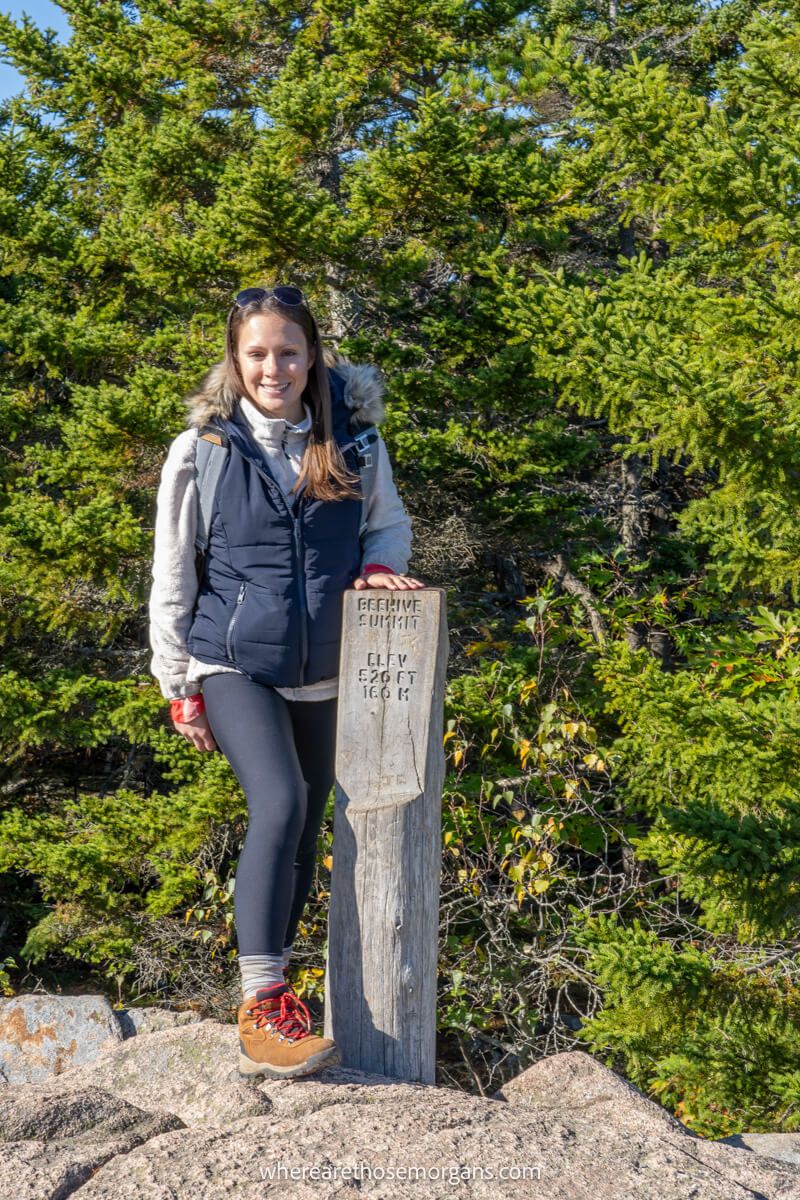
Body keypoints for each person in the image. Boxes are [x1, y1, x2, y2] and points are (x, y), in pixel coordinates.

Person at [148, 284, 424, 1079]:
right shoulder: (202, 448)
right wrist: (179, 684)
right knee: (281, 801)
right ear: (236, 360)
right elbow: (174, 571)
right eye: (258, 353)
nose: (275, 367)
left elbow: (388, 522)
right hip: (234, 663)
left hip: (330, 667)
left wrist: (379, 567)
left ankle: (283, 996)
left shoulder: (356, 441)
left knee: (305, 833)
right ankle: (261, 1000)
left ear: (313, 356)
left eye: (290, 351)